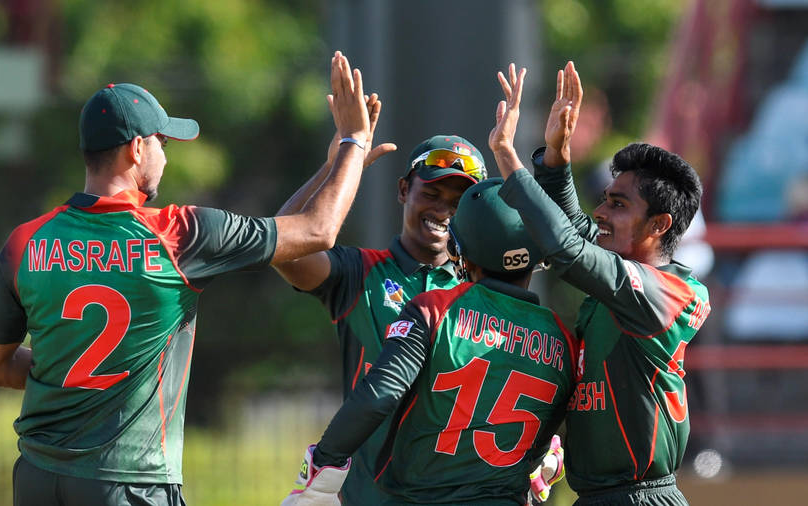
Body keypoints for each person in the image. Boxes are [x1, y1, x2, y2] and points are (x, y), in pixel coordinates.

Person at [0, 51, 372, 506]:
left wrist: (66, 375)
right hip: (130, 481)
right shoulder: (179, 234)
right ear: (137, 149)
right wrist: (353, 142)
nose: (164, 154)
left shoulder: (25, 242)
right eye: (162, 141)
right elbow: (318, 231)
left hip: (38, 478)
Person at [488, 62, 710, 505]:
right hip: (597, 495)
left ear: (659, 225)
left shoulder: (667, 293)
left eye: (618, 204)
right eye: (605, 200)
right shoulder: (622, 269)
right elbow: (573, 228)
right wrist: (556, 157)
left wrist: (508, 158)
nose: (601, 212)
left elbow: (568, 247)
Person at [280, 178, 578, 506]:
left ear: (460, 251)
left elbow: (380, 395)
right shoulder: (564, 339)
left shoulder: (436, 309)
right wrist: (542, 452)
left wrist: (322, 466)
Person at [274, 131, 489, 504]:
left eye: (458, 203)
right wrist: (334, 168)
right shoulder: (361, 271)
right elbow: (284, 247)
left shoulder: (481, 293)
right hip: (367, 496)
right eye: (432, 194)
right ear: (404, 189)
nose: (443, 211)